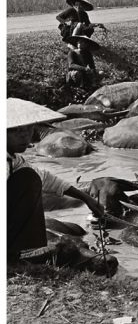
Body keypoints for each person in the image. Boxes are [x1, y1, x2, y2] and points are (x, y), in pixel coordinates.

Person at [6, 98, 105, 262]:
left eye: (28, 129)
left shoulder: (13, 159)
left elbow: (45, 178)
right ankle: (13, 253)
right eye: (16, 130)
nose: (24, 136)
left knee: (30, 176)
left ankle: (15, 251)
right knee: (28, 179)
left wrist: (86, 198)